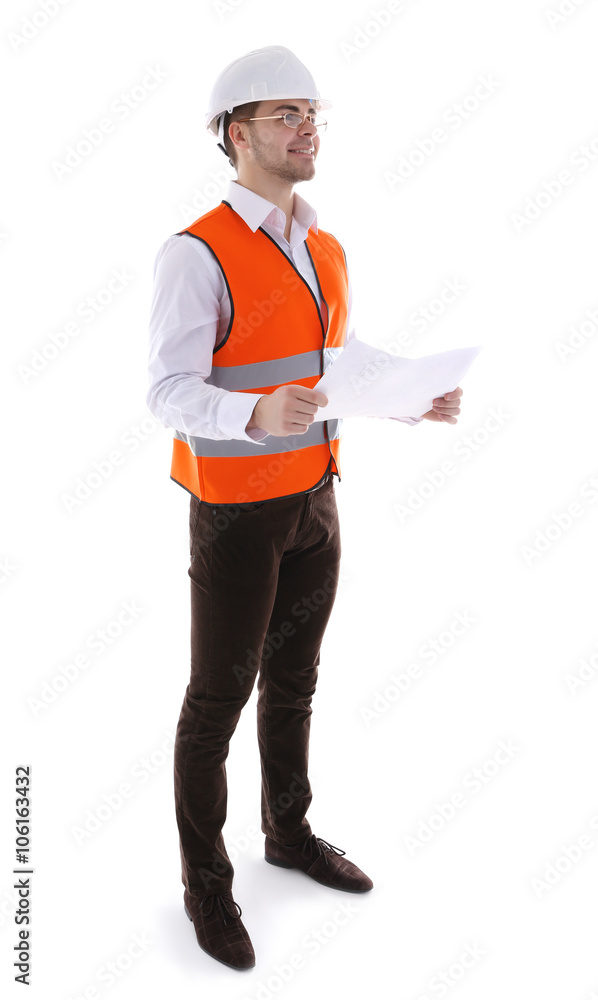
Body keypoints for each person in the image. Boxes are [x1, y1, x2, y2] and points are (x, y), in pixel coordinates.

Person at [146, 44, 463, 972]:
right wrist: (249, 412)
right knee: (217, 701)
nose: (307, 126)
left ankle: (288, 835)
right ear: (235, 134)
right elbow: (167, 390)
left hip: (318, 498)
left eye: (313, 112)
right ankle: (206, 883)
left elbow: (336, 363)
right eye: (286, 114)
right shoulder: (195, 252)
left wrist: (404, 396)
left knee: (297, 683)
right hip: (238, 510)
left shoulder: (325, 245)